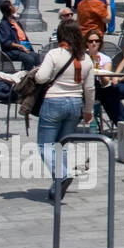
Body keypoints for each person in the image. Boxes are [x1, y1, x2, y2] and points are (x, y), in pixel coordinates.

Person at [33, 22, 94, 202]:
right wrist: (88, 110)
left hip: (54, 101)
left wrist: (36, 74)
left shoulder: (55, 54)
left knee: (45, 146)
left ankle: (62, 174)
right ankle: (57, 187)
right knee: (63, 146)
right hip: (75, 103)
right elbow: (89, 89)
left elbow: (41, 77)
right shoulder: (86, 58)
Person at [0, 0, 38, 69]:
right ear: (10, 8)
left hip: (22, 49)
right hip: (11, 51)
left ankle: (38, 74)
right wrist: (20, 46)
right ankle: (27, 75)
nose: (14, 6)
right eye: (12, 5)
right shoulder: (4, 25)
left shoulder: (15, 21)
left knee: (37, 57)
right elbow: (6, 42)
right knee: (29, 59)